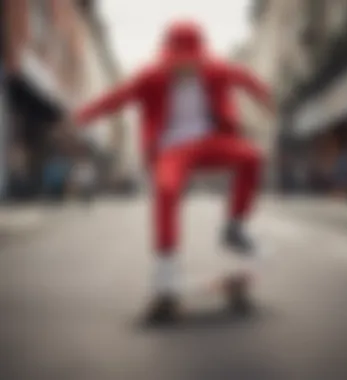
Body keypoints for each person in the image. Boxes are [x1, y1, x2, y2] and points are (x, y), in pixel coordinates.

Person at [72, 20, 274, 321]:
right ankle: (165, 279)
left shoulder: (216, 69)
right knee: (166, 189)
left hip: (212, 140)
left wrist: (266, 98)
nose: (185, 69)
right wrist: (81, 116)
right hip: (172, 149)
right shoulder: (151, 76)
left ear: (201, 57)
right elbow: (116, 98)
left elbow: (245, 78)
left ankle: (234, 226)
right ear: (168, 58)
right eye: (179, 64)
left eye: (192, 64)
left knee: (252, 157)